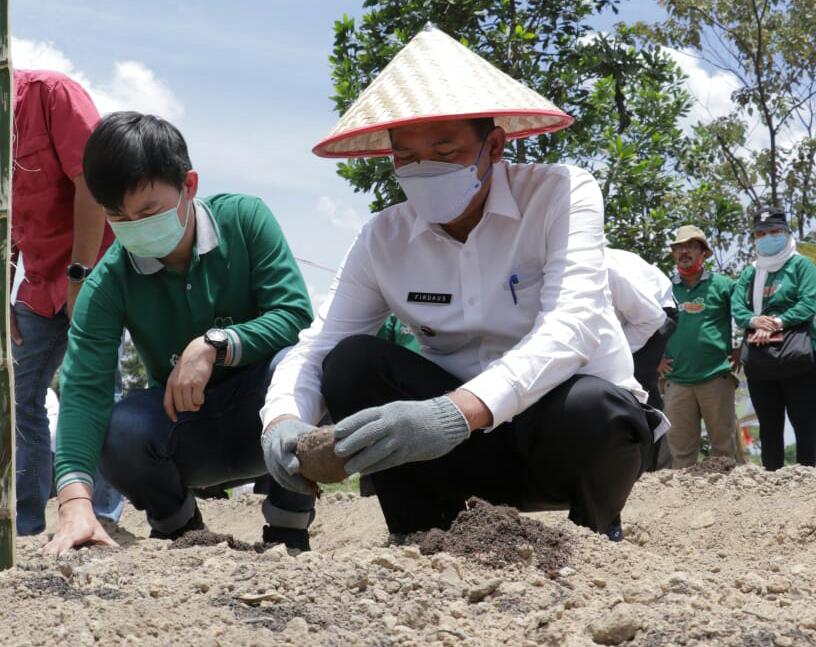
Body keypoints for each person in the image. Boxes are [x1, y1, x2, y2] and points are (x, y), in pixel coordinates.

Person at [261, 25, 664, 543]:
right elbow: (320, 344)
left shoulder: (560, 194)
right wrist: (282, 421)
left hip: (558, 439)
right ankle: (422, 537)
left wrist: (453, 413)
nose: (423, 169)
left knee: (597, 408)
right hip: (445, 451)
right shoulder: (382, 238)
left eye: (445, 150)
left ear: (493, 145)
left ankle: (594, 536)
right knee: (352, 362)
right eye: (406, 157)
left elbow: (572, 326)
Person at [44, 112, 314, 556]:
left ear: (188, 185)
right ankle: (180, 527)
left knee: (309, 367)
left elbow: (296, 316)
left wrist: (215, 345)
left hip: (267, 417)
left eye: (148, 211)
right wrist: (73, 502)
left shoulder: (245, 219)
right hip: (185, 429)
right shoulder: (108, 283)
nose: (134, 226)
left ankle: (289, 526)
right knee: (121, 426)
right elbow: (84, 391)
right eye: (117, 216)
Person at [11, 69, 123, 535]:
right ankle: (29, 522)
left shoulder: (52, 95)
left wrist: (81, 275)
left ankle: (101, 517)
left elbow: (92, 182)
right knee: (17, 397)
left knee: (98, 388)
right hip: (38, 283)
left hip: (93, 267)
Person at [732, 206, 816, 470]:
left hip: (798, 356)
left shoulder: (801, 266)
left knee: (806, 422)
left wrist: (776, 323)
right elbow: (737, 307)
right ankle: (772, 479)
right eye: (761, 233)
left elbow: (809, 302)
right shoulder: (751, 272)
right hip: (761, 359)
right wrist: (754, 320)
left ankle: (808, 479)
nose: (767, 237)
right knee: (768, 426)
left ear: (787, 232)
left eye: (774, 231)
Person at [660, 225, 738, 468]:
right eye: (679, 248)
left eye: (691, 246)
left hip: (716, 376)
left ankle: (728, 493)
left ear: (703, 253)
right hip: (677, 380)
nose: (684, 252)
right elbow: (647, 324)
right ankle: (684, 494)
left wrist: (741, 347)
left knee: (724, 450)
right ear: (673, 254)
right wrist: (656, 358)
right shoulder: (663, 288)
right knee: (680, 453)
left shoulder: (723, 285)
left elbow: (746, 314)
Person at [607, 247, 677, 470]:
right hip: (633, 319)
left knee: (638, 382)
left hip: (659, 311)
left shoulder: (606, 268)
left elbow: (652, 319)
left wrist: (617, 353)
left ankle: (650, 464)